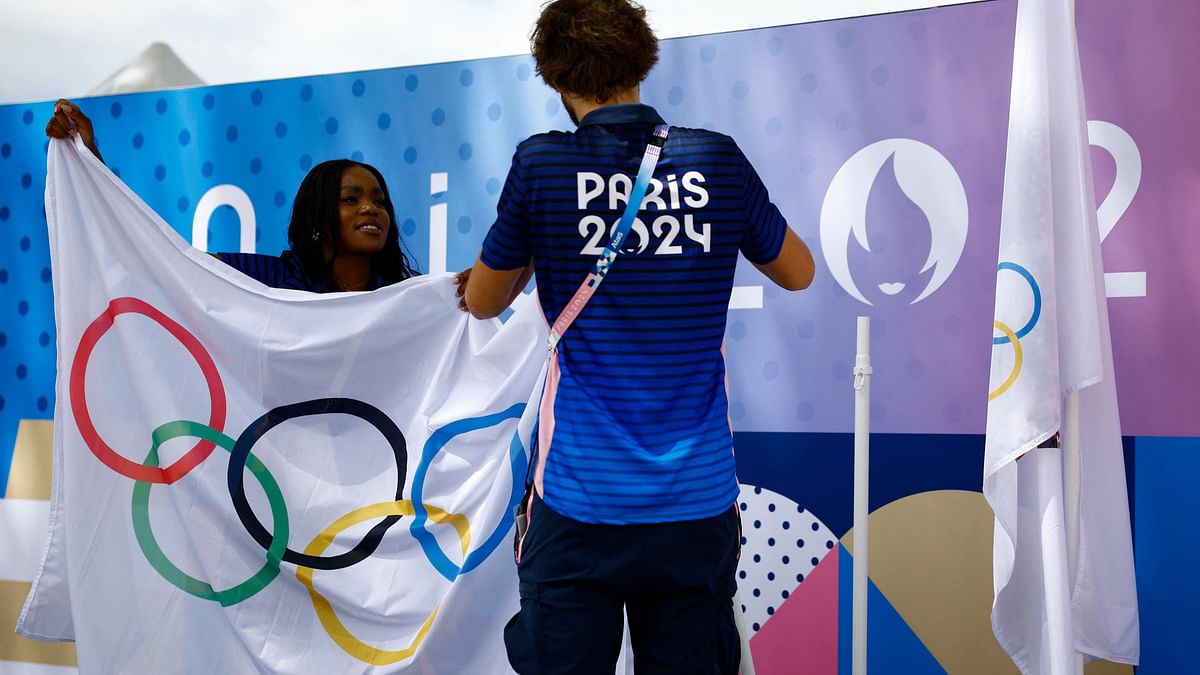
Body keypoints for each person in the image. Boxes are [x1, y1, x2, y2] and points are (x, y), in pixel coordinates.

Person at [461, 0, 816, 672]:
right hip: (696, 502)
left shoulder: (542, 166)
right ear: (641, 63)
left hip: (577, 501)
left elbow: (483, 299)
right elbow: (798, 270)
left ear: (557, 80)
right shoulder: (715, 158)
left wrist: (552, 241)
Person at [45, 100, 419, 292]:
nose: (372, 207)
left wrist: (472, 285)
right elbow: (161, 261)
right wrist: (88, 159)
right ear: (319, 217)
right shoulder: (268, 279)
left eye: (380, 201)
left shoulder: (407, 298)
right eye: (350, 199)